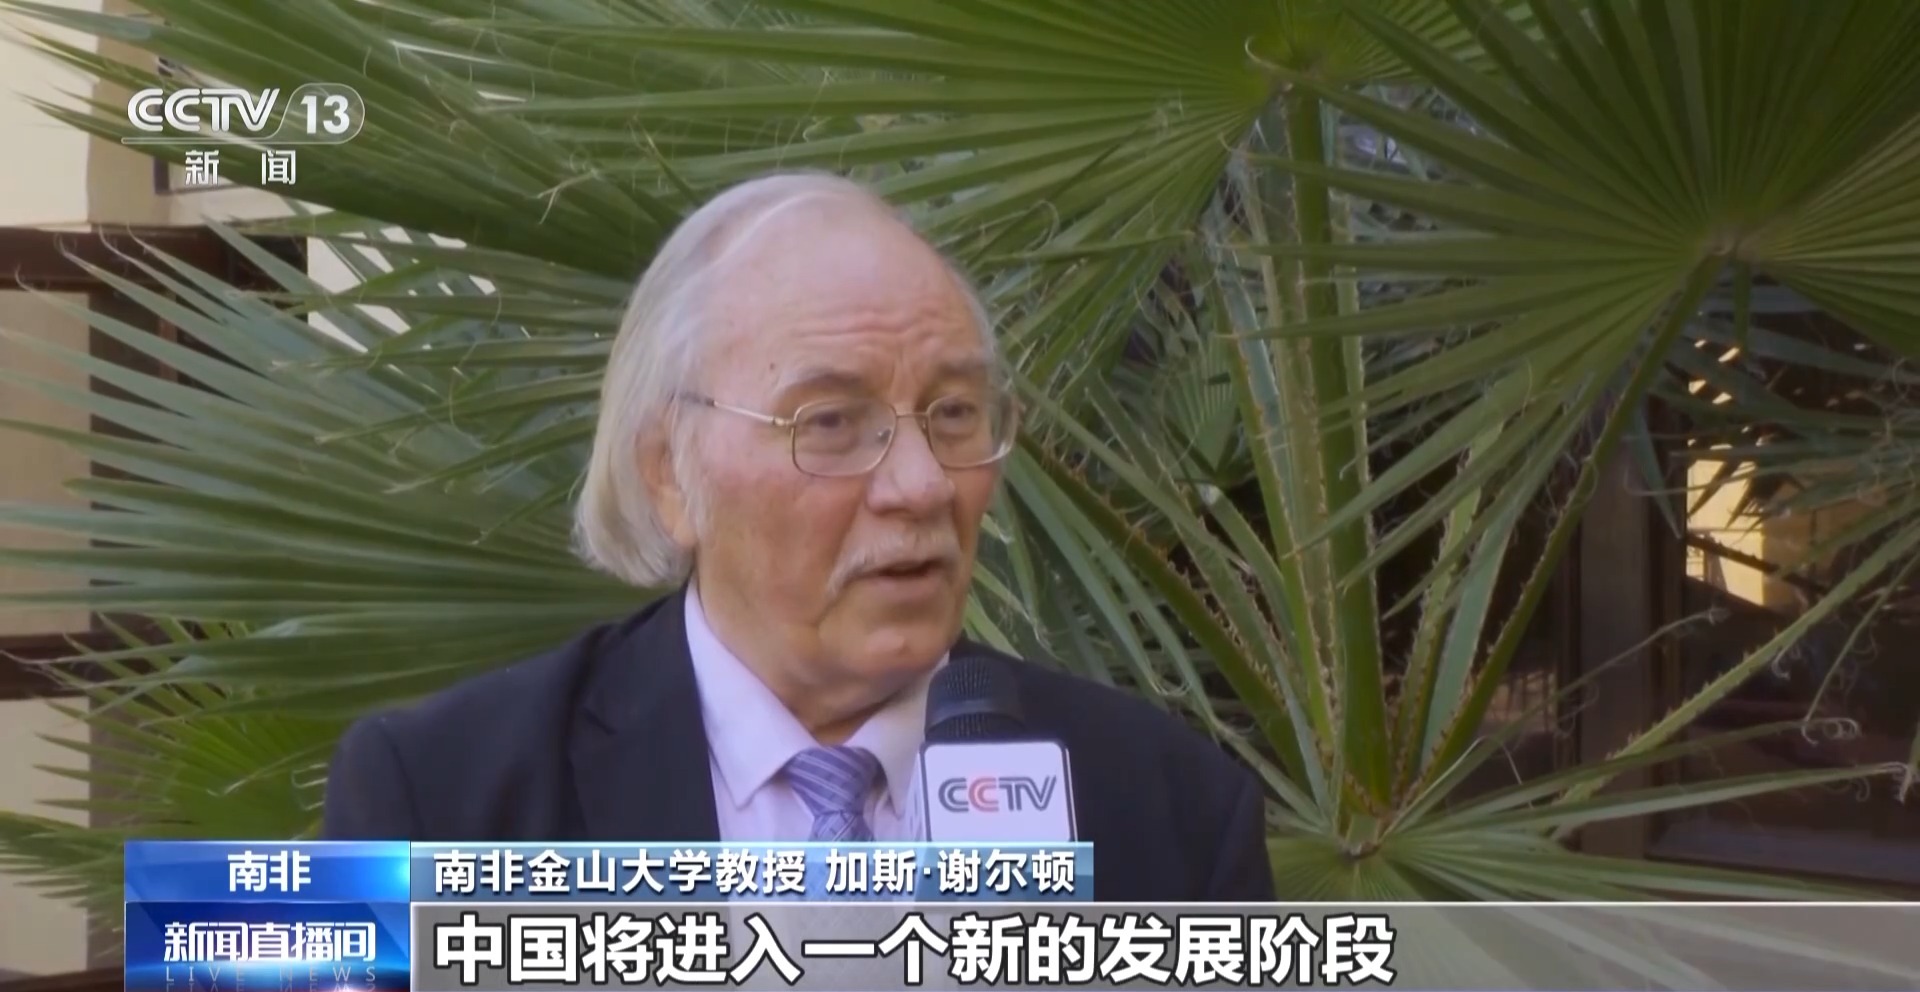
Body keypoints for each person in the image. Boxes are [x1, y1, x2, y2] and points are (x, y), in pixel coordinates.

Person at [320, 172, 1274, 902]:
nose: (921, 485)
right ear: (670, 473)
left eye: (953, 412)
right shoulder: (440, 802)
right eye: (830, 423)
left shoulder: (1171, 811)